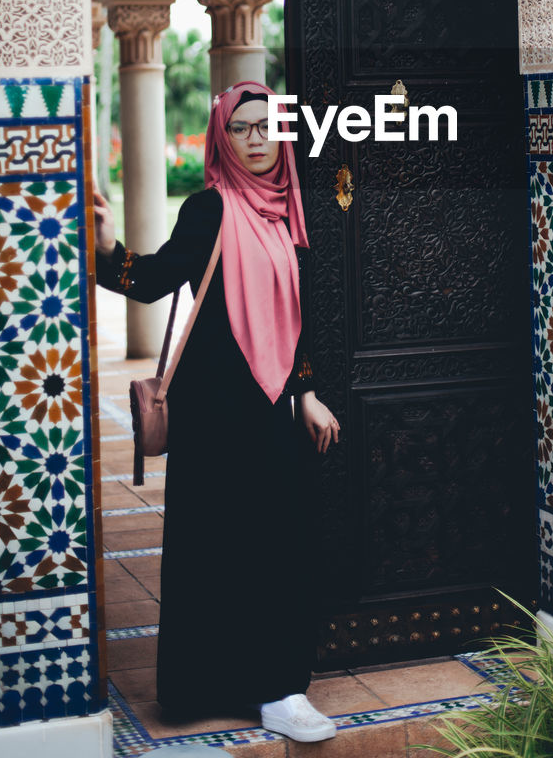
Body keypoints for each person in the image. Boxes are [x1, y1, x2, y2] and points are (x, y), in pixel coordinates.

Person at [93, 82, 340, 742]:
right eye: (243, 129)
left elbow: (300, 319)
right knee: (217, 546)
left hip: (269, 410)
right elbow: (149, 282)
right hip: (211, 411)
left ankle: (281, 688)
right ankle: (216, 687)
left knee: (281, 546)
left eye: (267, 127)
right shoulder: (209, 209)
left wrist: (307, 393)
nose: (258, 140)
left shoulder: (291, 212)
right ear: (221, 138)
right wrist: (108, 247)